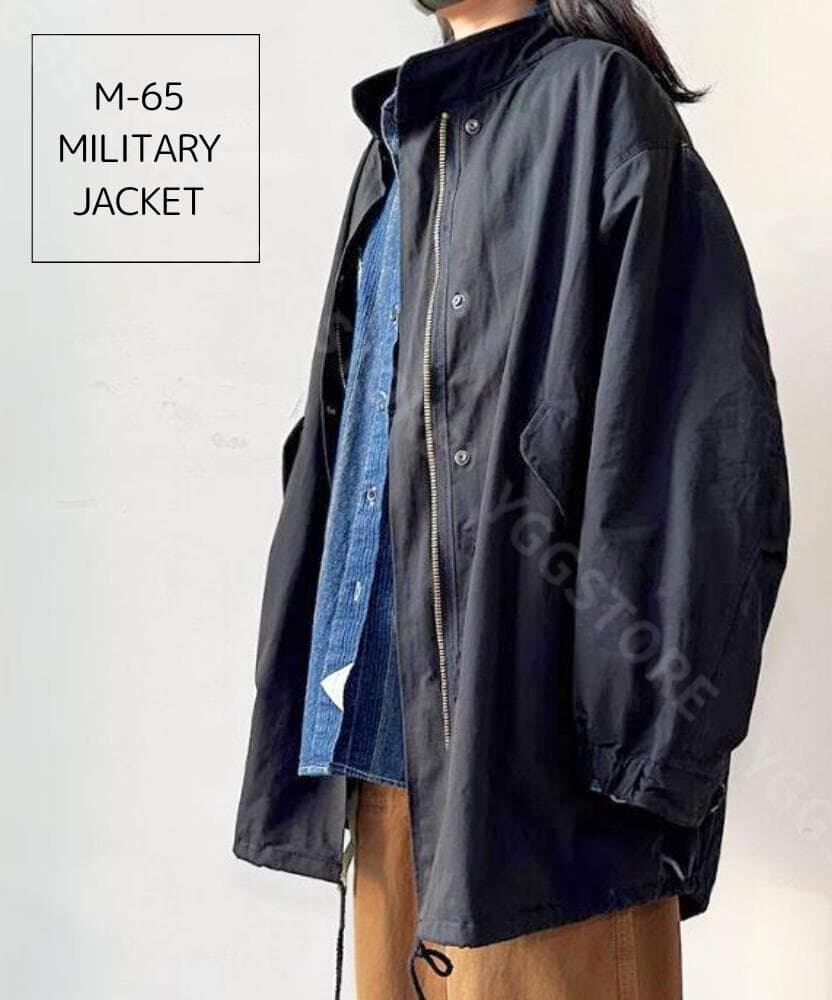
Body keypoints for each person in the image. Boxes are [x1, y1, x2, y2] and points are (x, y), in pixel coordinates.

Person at [234, 1, 790, 997]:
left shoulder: (597, 100)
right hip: (382, 743)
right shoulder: (402, 137)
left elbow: (703, 447)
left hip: (542, 777)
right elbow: (350, 433)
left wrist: (644, 748)